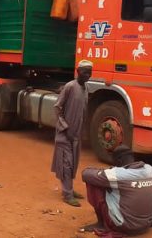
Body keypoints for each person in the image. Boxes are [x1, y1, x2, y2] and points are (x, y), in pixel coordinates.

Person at [80, 146, 152, 236]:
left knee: (95, 183)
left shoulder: (116, 174)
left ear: (119, 160)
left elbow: (85, 174)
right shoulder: (149, 169)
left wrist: (105, 171)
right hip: (146, 224)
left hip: (125, 226)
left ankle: (101, 223)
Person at [52, 60, 92, 207]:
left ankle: (69, 189)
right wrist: (65, 127)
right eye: (85, 72)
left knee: (73, 162)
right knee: (66, 163)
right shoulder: (70, 87)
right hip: (65, 133)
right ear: (78, 72)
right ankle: (67, 194)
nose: (87, 75)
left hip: (76, 134)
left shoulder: (86, 88)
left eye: (89, 73)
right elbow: (57, 107)